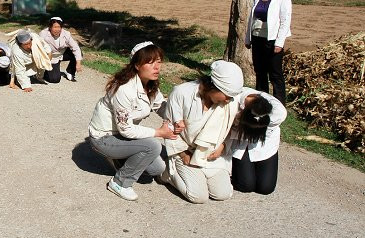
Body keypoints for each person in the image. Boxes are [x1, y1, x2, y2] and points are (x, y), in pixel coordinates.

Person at [88, 42, 178, 201]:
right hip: (104, 137)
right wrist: (159, 132)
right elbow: (126, 130)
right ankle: (119, 183)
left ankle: (120, 159)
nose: (157, 67)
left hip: (122, 136)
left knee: (157, 168)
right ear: (137, 65)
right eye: (150, 62)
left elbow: (160, 106)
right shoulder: (123, 89)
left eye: (159, 61)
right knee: (153, 146)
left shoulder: (150, 85)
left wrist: (175, 120)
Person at [160, 60, 243, 204]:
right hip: (185, 151)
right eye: (226, 95)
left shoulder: (230, 103)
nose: (229, 100)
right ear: (214, 87)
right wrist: (183, 153)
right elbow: (170, 128)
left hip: (210, 154)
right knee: (199, 196)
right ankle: (168, 173)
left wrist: (222, 146)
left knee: (222, 193)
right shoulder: (182, 93)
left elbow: (232, 129)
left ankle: (198, 174)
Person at [245, 0, 292, 104]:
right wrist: (248, 38)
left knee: (275, 74)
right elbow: (251, 19)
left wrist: (279, 43)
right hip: (257, 38)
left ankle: (279, 103)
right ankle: (262, 101)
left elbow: (285, 21)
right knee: (260, 71)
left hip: (272, 40)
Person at [227, 89, 286, 195]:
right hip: (241, 144)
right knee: (246, 185)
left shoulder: (278, 112)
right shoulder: (232, 103)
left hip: (265, 145)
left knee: (266, 188)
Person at [39, 16, 83, 82]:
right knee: (55, 79)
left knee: (78, 52)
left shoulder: (66, 34)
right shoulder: (43, 34)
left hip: (61, 54)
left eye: (59, 27)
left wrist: (78, 63)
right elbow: (38, 49)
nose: (57, 29)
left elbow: (75, 48)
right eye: (55, 27)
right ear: (50, 27)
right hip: (50, 57)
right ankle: (45, 72)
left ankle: (70, 72)